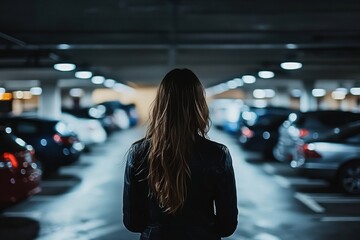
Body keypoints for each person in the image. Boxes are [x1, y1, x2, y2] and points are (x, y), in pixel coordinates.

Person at [123, 68, 238, 240]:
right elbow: (227, 225)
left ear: (161, 104)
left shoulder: (138, 153)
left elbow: (133, 222)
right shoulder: (218, 154)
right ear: (199, 105)